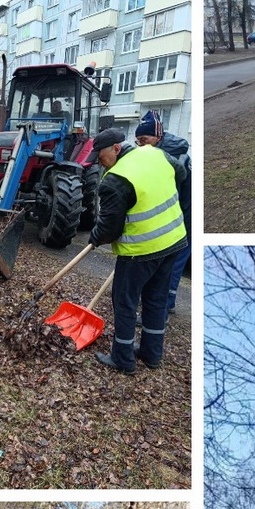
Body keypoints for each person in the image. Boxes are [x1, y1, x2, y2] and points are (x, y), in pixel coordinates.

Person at [86, 128, 187, 374]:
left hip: (140, 251)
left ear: (116, 149)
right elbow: (182, 173)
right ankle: (152, 354)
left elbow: (109, 229)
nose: (99, 163)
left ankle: (123, 359)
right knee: (156, 300)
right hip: (173, 241)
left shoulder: (115, 179)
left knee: (125, 303)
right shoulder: (155, 153)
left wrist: (95, 237)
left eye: (100, 157)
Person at [133, 110, 192, 317]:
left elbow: (171, 196)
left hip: (183, 220)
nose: (141, 145)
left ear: (158, 136)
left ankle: (163, 309)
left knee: (170, 267)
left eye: (145, 139)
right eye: (138, 141)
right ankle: (167, 303)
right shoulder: (155, 154)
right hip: (174, 218)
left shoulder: (174, 159)